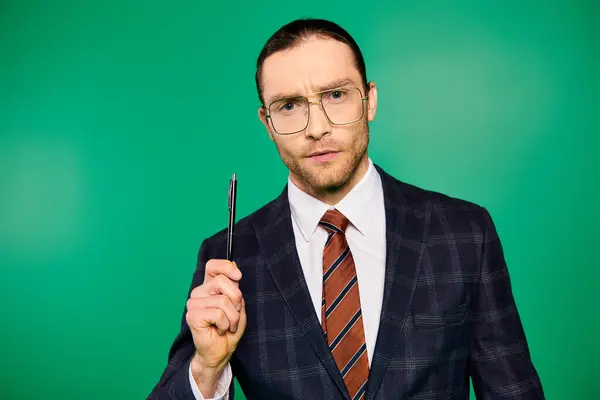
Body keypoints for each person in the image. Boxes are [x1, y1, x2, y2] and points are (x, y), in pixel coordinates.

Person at [148, 18, 544, 400]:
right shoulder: (229, 258)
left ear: (369, 100)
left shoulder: (464, 234)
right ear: (266, 123)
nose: (316, 126)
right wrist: (207, 366)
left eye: (335, 95)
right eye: (288, 106)